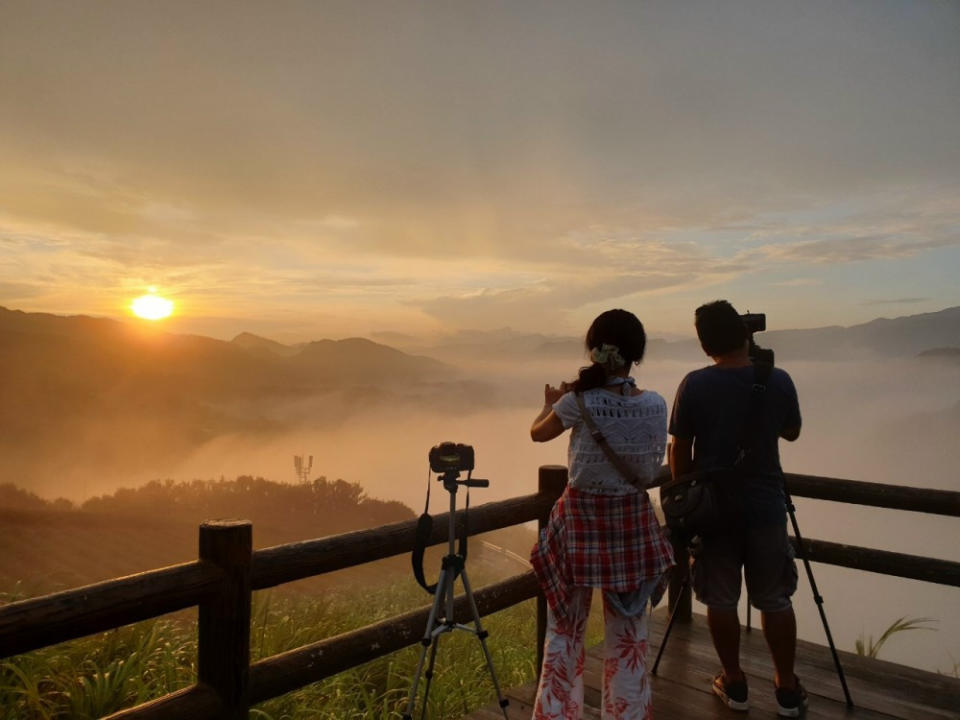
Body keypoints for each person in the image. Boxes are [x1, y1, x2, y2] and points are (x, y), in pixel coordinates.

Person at [529, 309, 674, 720]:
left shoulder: (578, 402)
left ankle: (556, 714)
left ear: (594, 351)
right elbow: (648, 466)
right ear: (635, 356)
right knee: (629, 636)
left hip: (579, 525)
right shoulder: (655, 405)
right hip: (631, 523)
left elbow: (537, 433)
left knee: (565, 629)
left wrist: (547, 405)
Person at [668, 300, 806, 717]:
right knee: (776, 598)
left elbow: (680, 447)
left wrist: (684, 498)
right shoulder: (778, 379)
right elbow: (793, 432)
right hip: (765, 507)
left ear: (705, 344)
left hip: (714, 510)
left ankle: (735, 682)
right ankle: (785, 688)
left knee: (721, 599)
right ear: (745, 335)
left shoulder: (694, 384)